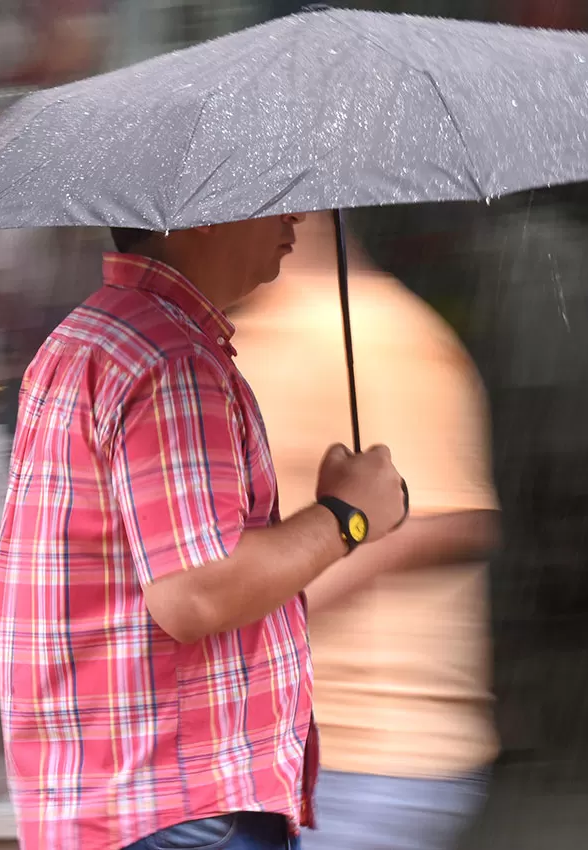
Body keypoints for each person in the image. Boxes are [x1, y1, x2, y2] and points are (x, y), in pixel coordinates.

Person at [0, 213, 411, 850]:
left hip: (116, 809)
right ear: (205, 215)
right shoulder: (170, 359)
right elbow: (195, 591)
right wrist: (346, 517)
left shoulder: (82, 340)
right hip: (183, 816)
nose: (296, 214)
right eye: (270, 191)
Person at [231, 213, 500, 850]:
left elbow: (446, 521)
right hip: (271, 752)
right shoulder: (238, 333)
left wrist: (275, 604)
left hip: (371, 755)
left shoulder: (381, 333)